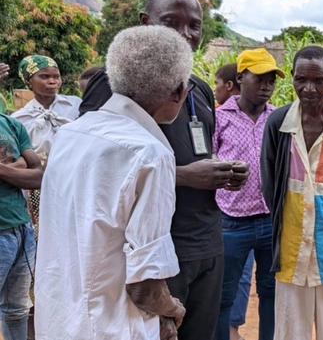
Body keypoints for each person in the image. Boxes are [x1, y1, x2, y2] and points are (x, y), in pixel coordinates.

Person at [80, 0, 248, 340]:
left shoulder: (199, 89)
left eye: (194, 26)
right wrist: (186, 176)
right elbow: (100, 168)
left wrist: (221, 171)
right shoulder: (116, 84)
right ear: (145, 21)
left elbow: (197, 150)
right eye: (171, 22)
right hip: (152, 252)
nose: (184, 34)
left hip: (206, 241)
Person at [34, 26, 191, 339]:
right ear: (177, 91)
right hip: (110, 327)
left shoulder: (69, 134)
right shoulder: (150, 154)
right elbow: (145, 288)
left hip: (57, 320)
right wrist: (173, 309)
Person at [260, 45, 323, 339]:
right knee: (291, 329)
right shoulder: (278, 124)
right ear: (291, 77)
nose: (309, 89)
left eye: (319, 81)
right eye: (301, 80)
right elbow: (271, 187)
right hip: (291, 249)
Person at [213, 49, 284, 340]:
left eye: (271, 81)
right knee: (224, 294)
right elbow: (209, 158)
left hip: (270, 219)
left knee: (270, 292)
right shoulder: (219, 117)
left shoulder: (278, 118)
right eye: (259, 79)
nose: (266, 86)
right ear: (241, 78)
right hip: (232, 221)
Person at [212, 62, 252, 340]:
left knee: (243, 275)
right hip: (226, 212)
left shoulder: (271, 116)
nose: (215, 88)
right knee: (227, 276)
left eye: (217, 83)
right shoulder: (216, 117)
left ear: (229, 85)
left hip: (259, 214)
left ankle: (233, 328)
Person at [0, 95, 43, 340]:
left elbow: (37, 175)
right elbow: (28, 167)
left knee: (17, 309)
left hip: (21, 230)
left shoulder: (11, 124)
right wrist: (16, 166)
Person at [12, 55, 82, 158]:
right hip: (41, 173)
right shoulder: (19, 119)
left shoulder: (75, 105)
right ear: (28, 80)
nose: (52, 81)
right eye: (44, 76)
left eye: (56, 76)